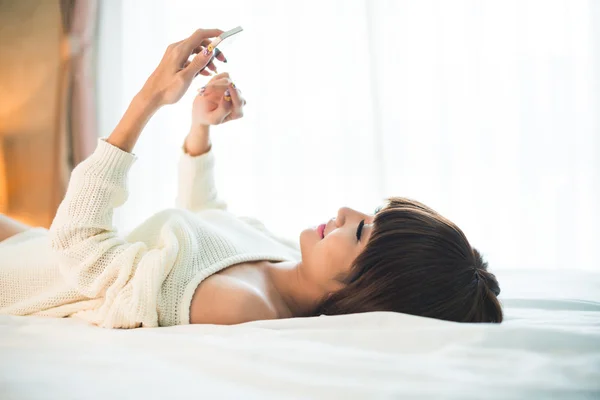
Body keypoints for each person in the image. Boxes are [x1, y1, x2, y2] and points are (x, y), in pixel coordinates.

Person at [0, 28, 502, 328]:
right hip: (33, 248)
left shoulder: (241, 307)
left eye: (363, 230)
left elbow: (81, 248)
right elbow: (205, 222)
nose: (349, 212)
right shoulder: (286, 257)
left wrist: (149, 97)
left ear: (370, 285)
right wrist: (200, 128)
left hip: (23, 280)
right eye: (369, 214)